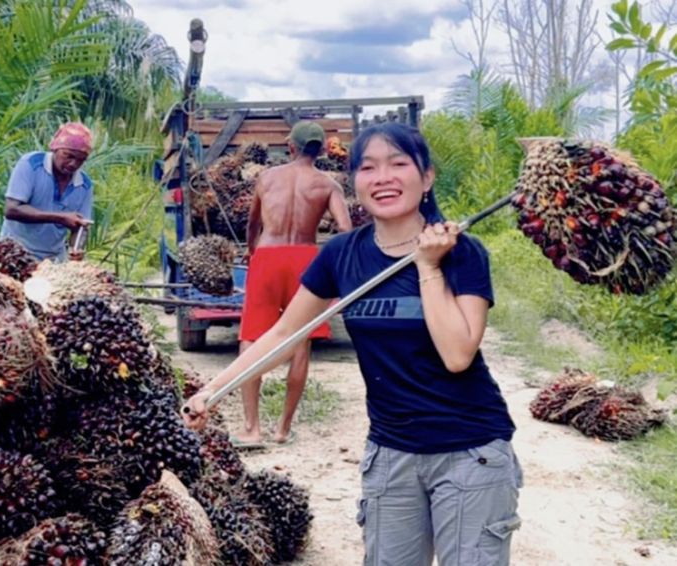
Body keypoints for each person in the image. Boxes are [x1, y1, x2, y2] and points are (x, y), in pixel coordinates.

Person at [184, 122, 523, 565]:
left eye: (398, 164)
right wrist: (212, 391)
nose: (383, 177)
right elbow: (286, 332)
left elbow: (458, 355)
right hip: (391, 454)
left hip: (469, 451)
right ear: (354, 181)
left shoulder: (462, 251)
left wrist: (429, 266)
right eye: (368, 167)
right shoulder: (341, 255)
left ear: (427, 177)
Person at [233, 120, 352, 447]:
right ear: (322, 151)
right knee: (301, 340)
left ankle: (251, 428)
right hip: (306, 258)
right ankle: (283, 429)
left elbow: (253, 223)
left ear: (291, 147)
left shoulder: (266, 178)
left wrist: (253, 253)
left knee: (252, 338)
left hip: (268, 257)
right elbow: (345, 229)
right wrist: (336, 267)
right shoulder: (328, 185)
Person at [0, 122, 95, 261]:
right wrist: (60, 218)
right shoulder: (31, 164)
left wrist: (76, 249)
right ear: (55, 149)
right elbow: (12, 210)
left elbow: (81, 226)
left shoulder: (85, 185)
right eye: (68, 156)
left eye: (81, 160)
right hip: (14, 254)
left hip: (51, 261)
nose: (73, 164)